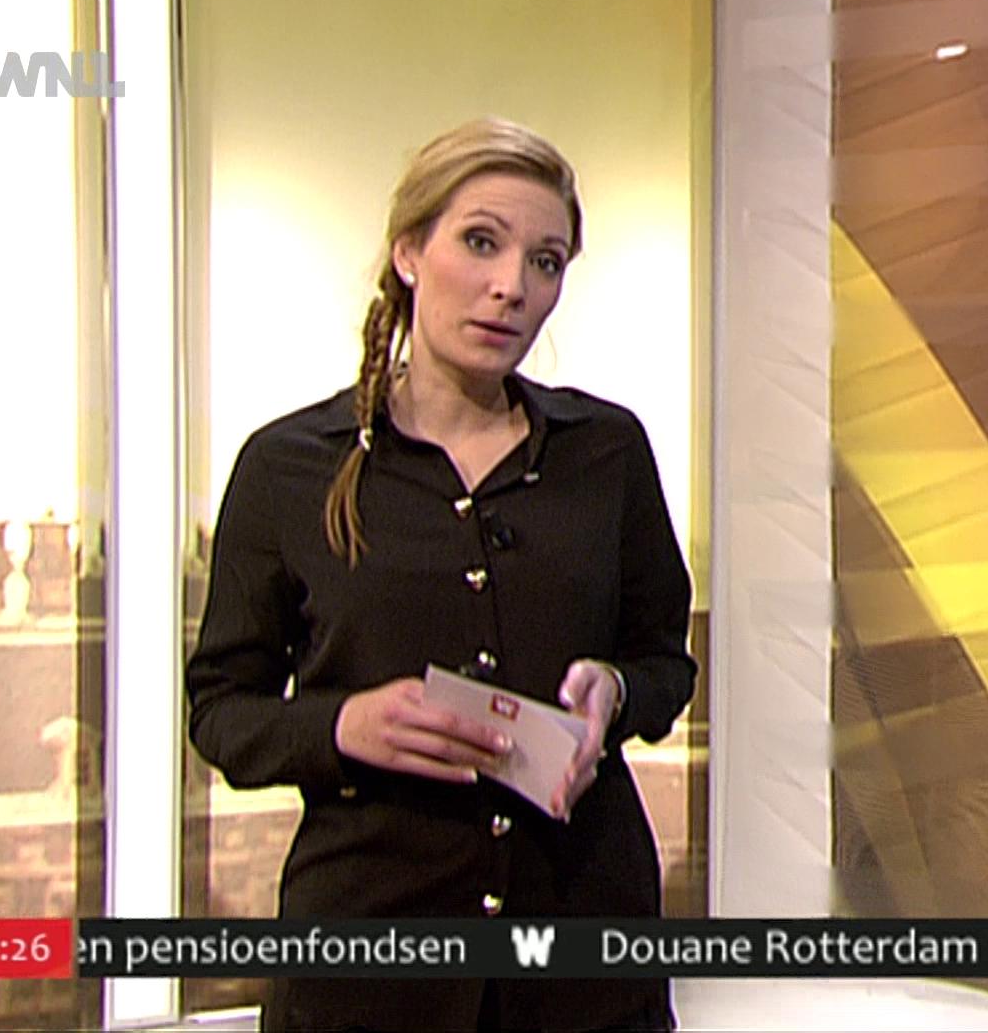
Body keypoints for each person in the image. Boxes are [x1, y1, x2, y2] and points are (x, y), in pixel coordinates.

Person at [186, 117, 696, 1032]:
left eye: (546, 262)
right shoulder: (288, 467)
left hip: (583, 962)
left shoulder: (606, 453)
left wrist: (616, 692)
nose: (512, 287)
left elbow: (666, 663)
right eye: (481, 243)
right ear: (409, 252)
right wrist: (342, 726)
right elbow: (223, 713)